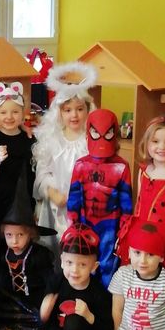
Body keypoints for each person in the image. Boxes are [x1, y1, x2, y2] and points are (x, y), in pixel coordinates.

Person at [26, 223, 113, 330]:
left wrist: (89, 316)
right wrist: (43, 315)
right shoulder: (56, 281)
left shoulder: (99, 292)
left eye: (82, 264)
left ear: (94, 267)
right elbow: (44, 326)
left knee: (73, 321)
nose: (74, 270)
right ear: (62, 261)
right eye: (69, 262)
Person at [0, 170, 56, 330]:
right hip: (14, 299)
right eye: (9, 235)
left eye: (20, 235)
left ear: (31, 234)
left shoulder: (39, 255)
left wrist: (48, 298)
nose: (14, 241)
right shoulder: (5, 255)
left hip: (35, 300)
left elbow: (50, 280)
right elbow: (2, 283)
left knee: (44, 320)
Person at [32, 62, 97, 254]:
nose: (74, 115)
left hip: (85, 208)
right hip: (57, 206)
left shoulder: (91, 142)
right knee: (56, 252)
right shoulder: (52, 141)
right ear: (59, 112)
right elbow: (42, 172)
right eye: (68, 110)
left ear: (88, 110)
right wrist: (53, 192)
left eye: (79, 109)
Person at [0, 81, 36, 287]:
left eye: (15, 112)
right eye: (3, 112)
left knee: (22, 246)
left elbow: (34, 173)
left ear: (23, 113)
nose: (9, 117)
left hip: (23, 203)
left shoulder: (30, 140)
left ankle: (20, 287)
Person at [67, 108, 133, 288]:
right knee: (84, 264)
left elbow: (127, 206)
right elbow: (73, 200)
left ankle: (104, 302)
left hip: (110, 227)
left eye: (108, 134)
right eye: (96, 133)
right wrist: (73, 226)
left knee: (107, 266)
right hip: (84, 224)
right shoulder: (81, 165)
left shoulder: (121, 166)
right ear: (88, 134)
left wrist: (123, 232)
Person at [118, 116, 165, 272]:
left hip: (162, 243)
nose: (162, 147)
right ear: (146, 144)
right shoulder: (144, 171)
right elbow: (138, 205)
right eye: (155, 141)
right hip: (140, 236)